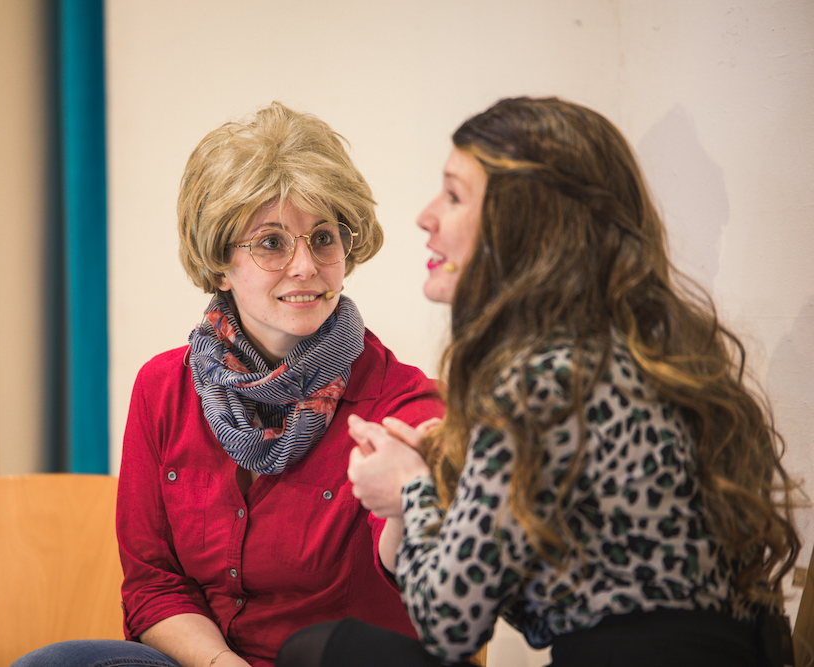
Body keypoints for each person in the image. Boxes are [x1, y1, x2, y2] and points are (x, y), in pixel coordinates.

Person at [275, 96, 800, 667]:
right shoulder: (631, 354)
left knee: (317, 651)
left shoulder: (543, 381)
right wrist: (419, 497)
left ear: (524, 224)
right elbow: (481, 582)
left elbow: (451, 625)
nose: (426, 216)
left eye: (454, 196)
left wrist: (410, 490)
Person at [12, 102, 442, 667]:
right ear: (219, 262)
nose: (305, 266)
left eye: (323, 237)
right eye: (271, 242)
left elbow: (423, 582)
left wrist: (413, 501)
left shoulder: (405, 407)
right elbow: (154, 585)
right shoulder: (163, 389)